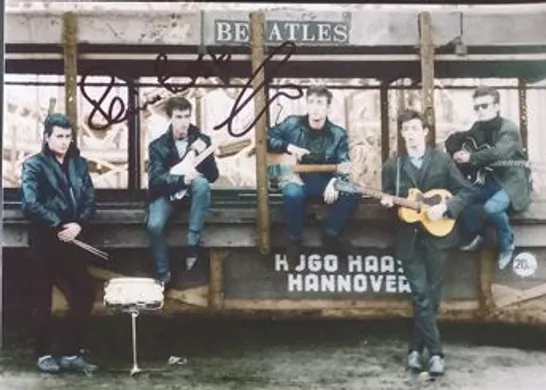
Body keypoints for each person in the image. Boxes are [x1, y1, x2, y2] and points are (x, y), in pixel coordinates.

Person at [380, 109, 474, 376]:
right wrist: (387, 203)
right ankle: (436, 354)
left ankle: (414, 350)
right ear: (401, 134)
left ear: (425, 132)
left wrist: (445, 208)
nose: (410, 134)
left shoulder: (442, 161)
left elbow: (465, 192)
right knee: (421, 295)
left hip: (439, 236)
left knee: (431, 298)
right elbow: (388, 198)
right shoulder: (393, 166)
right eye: (405, 129)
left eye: (414, 129)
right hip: (408, 239)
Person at [21, 113, 98, 374]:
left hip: (73, 239)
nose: (64, 141)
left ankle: (68, 350)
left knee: (85, 292)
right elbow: (30, 203)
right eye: (59, 136)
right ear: (47, 138)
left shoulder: (79, 164)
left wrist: (78, 224)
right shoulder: (33, 165)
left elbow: (89, 197)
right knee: (42, 299)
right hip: (45, 239)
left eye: (68, 136)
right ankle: (42, 354)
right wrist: (57, 224)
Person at [266, 86, 360, 265]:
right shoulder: (292, 124)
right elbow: (265, 137)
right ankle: (295, 240)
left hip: (325, 180)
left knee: (353, 192)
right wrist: (288, 147)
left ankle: (331, 236)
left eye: (320, 103)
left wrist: (334, 181)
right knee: (292, 194)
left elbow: (343, 165)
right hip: (295, 178)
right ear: (306, 105)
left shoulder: (337, 134)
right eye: (311, 102)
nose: (315, 108)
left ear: (327, 107)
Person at [448, 86, 531, 269]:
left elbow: (500, 152)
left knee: (492, 208)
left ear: (496, 107)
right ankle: (478, 235)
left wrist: (471, 157)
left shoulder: (508, 128)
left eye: (484, 106)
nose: (480, 111)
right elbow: (456, 138)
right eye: (476, 108)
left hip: (511, 182)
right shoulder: (478, 127)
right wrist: (456, 151)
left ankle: (506, 243)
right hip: (490, 180)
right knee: (464, 199)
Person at [146, 96, 219, 284]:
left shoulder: (202, 139)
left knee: (202, 184)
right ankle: (163, 274)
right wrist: (182, 179)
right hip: (168, 195)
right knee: (154, 226)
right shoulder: (158, 146)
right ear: (170, 118)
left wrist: (206, 157)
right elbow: (155, 181)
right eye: (179, 117)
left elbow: (213, 177)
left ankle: (192, 245)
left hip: (192, 196)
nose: (184, 122)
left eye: (187, 116)